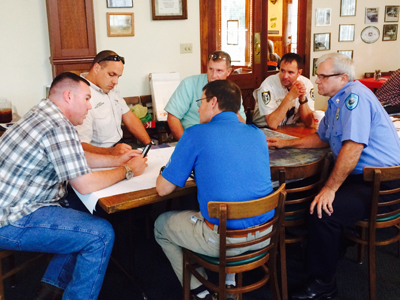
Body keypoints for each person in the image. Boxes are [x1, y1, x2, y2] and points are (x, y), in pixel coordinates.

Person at [0, 72, 148, 300]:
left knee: (80, 214)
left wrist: (116, 160)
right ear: (69, 96)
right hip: (11, 220)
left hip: (12, 207)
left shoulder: (43, 112)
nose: (90, 107)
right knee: (100, 234)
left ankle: (50, 290)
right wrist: (128, 171)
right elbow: (85, 184)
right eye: (87, 99)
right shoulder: (58, 125)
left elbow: (73, 156)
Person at [267, 53, 400, 300]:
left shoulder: (354, 98)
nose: (316, 82)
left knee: (322, 210)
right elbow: (323, 137)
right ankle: (329, 250)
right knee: (314, 194)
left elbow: (353, 147)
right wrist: (288, 144)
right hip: (363, 177)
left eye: (322, 76)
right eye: (317, 75)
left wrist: (330, 188)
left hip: (382, 185)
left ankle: (322, 286)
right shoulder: (337, 100)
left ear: (343, 78)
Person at [154, 80, 274, 300]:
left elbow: (163, 189)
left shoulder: (195, 134)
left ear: (213, 102)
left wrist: (167, 170)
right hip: (265, 235)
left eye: (200, 101)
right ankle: (227, 282)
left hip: (224, 240)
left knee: (161, 225)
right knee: (222, 207)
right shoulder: (257, 134)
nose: (198, 108)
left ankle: (200, 293)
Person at [76, 50, 152, 155]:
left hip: (120, 146)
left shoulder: (112, 87)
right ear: (97, 68)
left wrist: (149, 144)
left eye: (118, 77)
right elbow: (81, 145)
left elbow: (128, 116)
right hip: (99, 153)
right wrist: (111, 152)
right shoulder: (81, 94)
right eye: (111, 74)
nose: (116, 82)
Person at [164, 50, 246, 140]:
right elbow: (173, 117)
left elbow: (241, 124)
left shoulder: (232, 90)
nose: (214, 75)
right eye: (211, 69)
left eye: (219, 71)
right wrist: (186, 143)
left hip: (222, 140)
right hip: (193, 138)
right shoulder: (189, 84)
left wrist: (232, 109)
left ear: (228, 71)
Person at [252, 53, 315, 129]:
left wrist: (302, 99)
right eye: (282, 71)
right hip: (262, 129)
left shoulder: (306, 84)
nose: (285, 76)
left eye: (290, 72)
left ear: (299, 72)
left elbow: (309, 123)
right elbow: (272, 124)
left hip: (288, 128)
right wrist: (290, 97)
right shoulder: (268, 85)